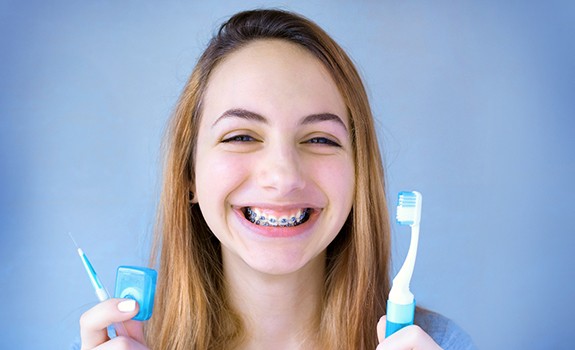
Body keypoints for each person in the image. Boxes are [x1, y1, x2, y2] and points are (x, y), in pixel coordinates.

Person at [78, 9, 476, 350]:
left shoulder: (436, 344)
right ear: (189, 175)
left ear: (358, 175)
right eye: (241, 137)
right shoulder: (126, 343)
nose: (283, 176)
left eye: (320, 139)